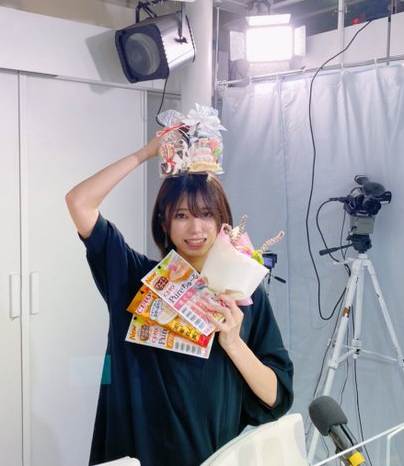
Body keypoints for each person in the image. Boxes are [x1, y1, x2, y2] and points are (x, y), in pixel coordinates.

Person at [66, 135, 294, 466]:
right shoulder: (136, 279)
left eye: (206, 214)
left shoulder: (243, 294)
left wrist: (233, 343)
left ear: (221, 222)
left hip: (211, 458)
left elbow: (276, 397)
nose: (195, 228)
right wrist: (146, 152)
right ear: (164, 222)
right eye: (182, 215)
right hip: (138, 457)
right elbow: (79, 203)